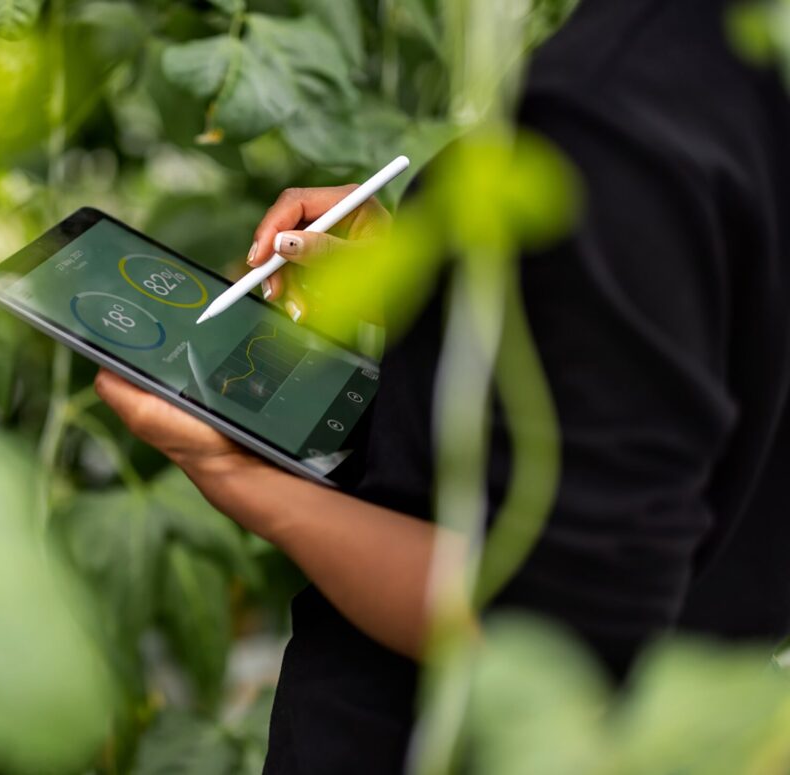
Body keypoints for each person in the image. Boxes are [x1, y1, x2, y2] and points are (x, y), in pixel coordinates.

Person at [95, 0, 790, 770]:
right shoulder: (747, 53)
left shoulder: (611, 109)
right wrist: (443, 290)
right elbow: (693, 346)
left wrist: (242, 475)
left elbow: (561, 627)